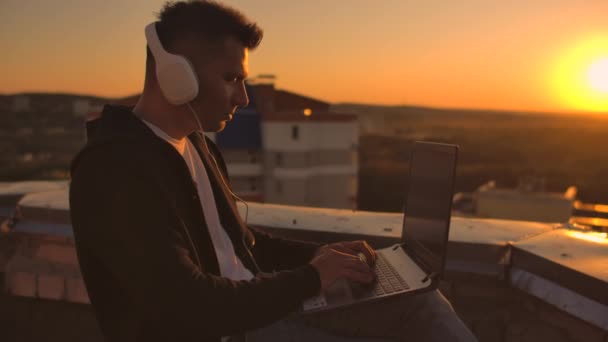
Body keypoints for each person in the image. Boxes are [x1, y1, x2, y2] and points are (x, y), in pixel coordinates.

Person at [69, 1, 477, 341]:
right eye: (230, 78)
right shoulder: (115, 170)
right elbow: (186, 305)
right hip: (228, 329)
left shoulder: (196, 145)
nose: (243, 97)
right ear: (177, 78)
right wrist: (311, 279)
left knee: (420, 299)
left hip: (256, 313)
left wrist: (319, 257)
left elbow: (242, 246)